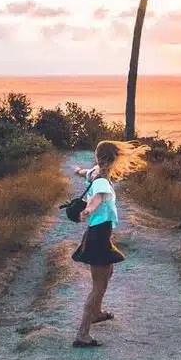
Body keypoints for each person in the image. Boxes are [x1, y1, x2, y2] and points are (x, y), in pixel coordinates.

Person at [71, 140, 150, 348]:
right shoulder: (102, 181)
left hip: (100, 235)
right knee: (98, 286)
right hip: (98, 236)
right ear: (114, 159)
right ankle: (82, 335)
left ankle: (96, 313)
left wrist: (78, 170)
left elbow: (85, 173)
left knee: (108, 274)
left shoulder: (95, 173)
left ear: (99, 158)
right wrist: (88, 210)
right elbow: (97, 198)